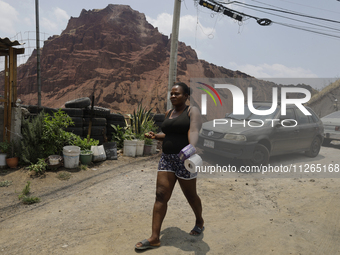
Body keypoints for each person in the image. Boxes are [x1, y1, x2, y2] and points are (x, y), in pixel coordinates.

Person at [135, 82, 204, 250]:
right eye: (171, 93)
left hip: (184, 159)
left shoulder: (191, 111)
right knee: (160, 194)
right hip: (167, 159)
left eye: (177, 94)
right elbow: (169, 134)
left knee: (190, 195)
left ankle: (199, 220)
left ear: (186, 95)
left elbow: (193, 130)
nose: (173, 96)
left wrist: (191, 147)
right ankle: (154, 238)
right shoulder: (169, 112)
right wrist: (155, 136)